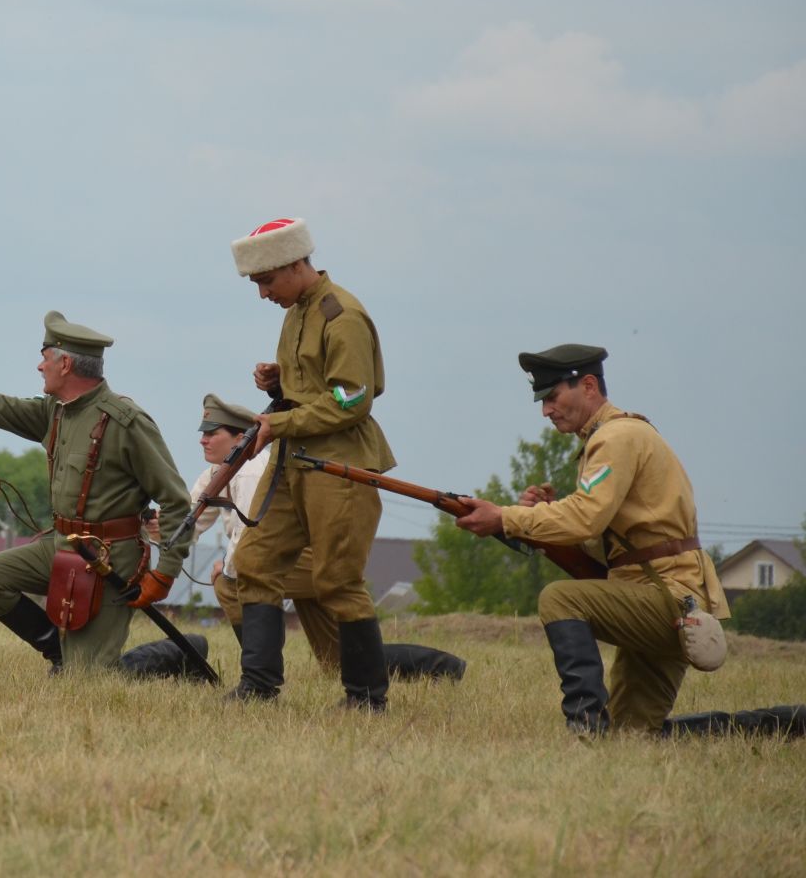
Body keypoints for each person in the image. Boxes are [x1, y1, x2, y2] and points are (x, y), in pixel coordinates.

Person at [455, 344, 729, 734]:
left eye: (552, 397)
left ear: (587, 385)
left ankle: (585, 726)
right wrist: (541, 516)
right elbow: (615, 541)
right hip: (663, 597)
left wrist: (507, 518)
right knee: (633, 736)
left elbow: (584, 518)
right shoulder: (616, 436)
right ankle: (781, 725)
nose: (546, 410)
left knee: (559, 598)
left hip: (663, 596)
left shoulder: (615, 437)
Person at [0, 311, 192, 674]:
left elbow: (176, 500)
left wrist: (164, 574)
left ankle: (180, 654)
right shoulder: (55, 411)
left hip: (110, 560)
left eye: (45, 357)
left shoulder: (126, 422)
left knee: (89, 683)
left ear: (65, 363)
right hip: (61, 546)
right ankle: (59, 654)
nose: (39, 366)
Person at [227, 217, 392, 710]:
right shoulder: (295, 312)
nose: (262, 293)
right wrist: (279, 383)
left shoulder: (342, 316)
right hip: (292, 462)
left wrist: (277, 423)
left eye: (266, 280)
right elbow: (316, 387)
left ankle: (366, 697)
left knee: (337, 580)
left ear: (296, 264)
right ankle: (259, 688)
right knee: (253, 563)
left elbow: (350, 402)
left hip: (339, 467)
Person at [187, 393, 464, 682]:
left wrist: (228, 567)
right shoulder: (216, 475)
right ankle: (440, 667)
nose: (203, 440)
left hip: (302, 560)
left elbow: (252, 536)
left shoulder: (251, 473)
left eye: (211, 433)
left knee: (232, 581)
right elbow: (188, 523)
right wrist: (152, 527)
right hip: (296, 564)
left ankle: (260, 672)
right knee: (338, 661)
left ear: (240, 438)